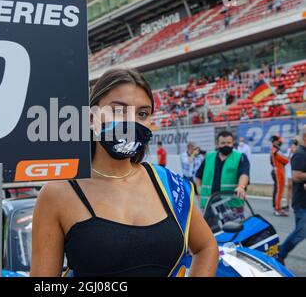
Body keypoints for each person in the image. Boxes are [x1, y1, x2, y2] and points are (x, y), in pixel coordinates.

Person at [31, 69, 218, 277]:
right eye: (118, 111)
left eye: (143, 114)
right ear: (91, 118)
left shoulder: (170, 185)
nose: (132, 122)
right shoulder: (57, 193)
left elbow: (207, 247)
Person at [196, 131, 250, 210]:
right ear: (217, 144)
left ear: (233, 143)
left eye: (229, 142)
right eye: (223, 143)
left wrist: (241, 187)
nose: (226, 145)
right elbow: (198, 177)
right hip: (209, 204)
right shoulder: (208, 157)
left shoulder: (240, 157)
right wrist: (199, 194)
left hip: (232, 204)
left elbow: (244, 174)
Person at [277, 125, 306, 265]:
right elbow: (296, 176)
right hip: (302, 202)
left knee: (301, 230)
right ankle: (280, 253)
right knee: (302, 231)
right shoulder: (300, 153)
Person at [270, 135, 290, 216]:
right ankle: (277, 209)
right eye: (279, 141)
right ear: (275, 141)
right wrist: (288, 157)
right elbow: (285, 160)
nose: (280, 142)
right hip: (278, 171)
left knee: (279, 190)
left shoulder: (276, 150)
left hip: (279, 170)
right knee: (279, 190)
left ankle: (278, 208)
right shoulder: (275, 151)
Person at [284, 137, 300, 211]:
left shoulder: (300, 150)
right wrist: (291, 151)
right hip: (289, 170)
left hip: (296, 170)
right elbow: (286, 159)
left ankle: (296, 204)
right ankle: (287, 204)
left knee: (296, 188)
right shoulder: (289, 150)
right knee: (289, 187)